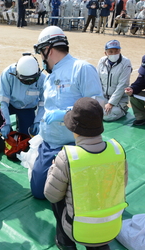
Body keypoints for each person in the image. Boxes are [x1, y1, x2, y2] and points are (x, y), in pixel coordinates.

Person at [44, 97, 128, 250]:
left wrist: (53, 169)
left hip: (78, 229)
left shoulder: (68, 157)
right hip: (113, 226)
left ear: (74, 129)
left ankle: (66, 242)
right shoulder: (117, 151)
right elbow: (122, 185)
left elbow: (51, 195)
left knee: (57, 192)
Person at [31, 26, 103, 199]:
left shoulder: (81, 68)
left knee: (81, 195)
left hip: (76, 145)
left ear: (48, 49)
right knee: (39, 191)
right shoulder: (49, 75)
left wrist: (67, 114)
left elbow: (97, 104)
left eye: (41, 52)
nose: (41, 57)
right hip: (50, 143)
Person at [0, 54, 46, 138]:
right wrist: (6, 123)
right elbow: (3, 101)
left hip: (27, 108)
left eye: (31, 80)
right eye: (24, 80)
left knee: (26, 136)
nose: (28, 83)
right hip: (10, 104)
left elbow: (43, 103)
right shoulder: (7, 74)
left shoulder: (43, 79)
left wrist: (38, 121)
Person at [97, 40, 132, 121]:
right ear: (106, 53)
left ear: (120, 51)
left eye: (116, 51)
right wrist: (100, 98)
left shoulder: (126, 62)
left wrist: (111, 103)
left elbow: (123, 85)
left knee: (105, 116)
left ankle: (122, 110)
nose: (114, 54)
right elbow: (97, 80)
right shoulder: (102, 61)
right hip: (104, 97)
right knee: (87, 108)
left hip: (118, 100)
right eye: (110, 51)